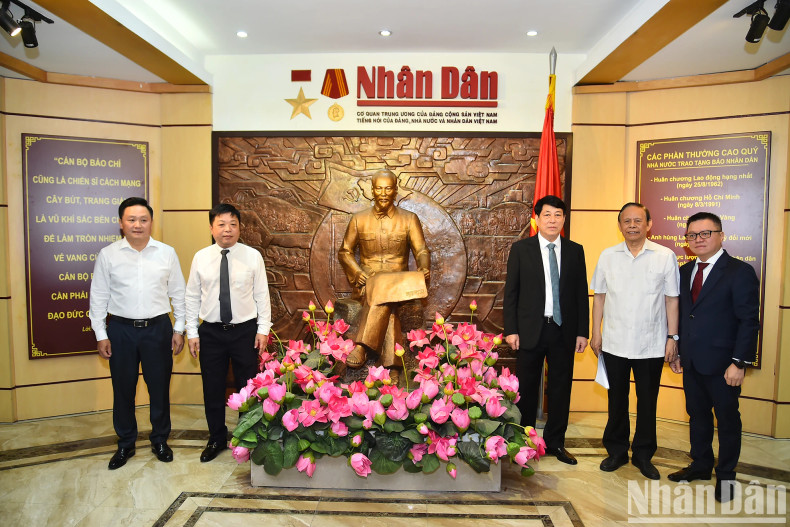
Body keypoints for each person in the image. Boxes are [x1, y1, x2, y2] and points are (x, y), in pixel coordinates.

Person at [667, 212, 760, 503]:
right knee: (697, 416)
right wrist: (678, 349)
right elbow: (685, 315)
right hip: (692, 361)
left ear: (721, 235)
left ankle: (727, 476)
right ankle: (701, 464)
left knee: (728, 421)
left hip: (724, 365)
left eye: (705, 233)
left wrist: (739, 362)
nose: (698, 239)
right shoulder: (685, 272)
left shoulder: (739, 271)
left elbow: (749, 321)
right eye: (692, 235)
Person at [89, 197, 186, 470]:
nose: (138, 225)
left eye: (143, 220)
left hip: (158, 329)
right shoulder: (108, 255)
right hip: (121, 331)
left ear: (151, 222)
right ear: (121, 223)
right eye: (131, 220)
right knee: (123, 390)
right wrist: (101, 334)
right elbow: (98, 296)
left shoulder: (167, 253)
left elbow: (178, 293)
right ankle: (125, 443)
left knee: (159, 389)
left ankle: (160, 440)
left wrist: (179, 328)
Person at [590, 202, 679, 480]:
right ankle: (616, 451)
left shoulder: (665, 256)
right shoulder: (607, 256)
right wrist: (596, 332)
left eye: (637, 220)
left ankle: (643, 454)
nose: (632, 225)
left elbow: (672, 300)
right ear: (619, 225)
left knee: (647, 402)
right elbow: (599, 297)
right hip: (614, 342)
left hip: (651, 343)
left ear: (648, 224)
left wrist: (672, 337)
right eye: (626, 221)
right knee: (616, 400)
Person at [503, 195, 589, 465]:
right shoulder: (521, 249)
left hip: (564, 330)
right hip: (530, 329)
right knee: (526, 389)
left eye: (558, 215)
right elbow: (511, 293)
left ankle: (556, 443)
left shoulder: (575, 251)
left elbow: (581, 294)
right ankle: (525, 442)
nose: (553, 220)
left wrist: (582, 332)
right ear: (537, 219)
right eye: (547, 215)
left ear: (564, 219)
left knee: (561, 389)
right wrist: (511, 329)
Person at [185, 203, 272, 462]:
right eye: (221, 224)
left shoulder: (252, 256)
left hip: (245, 331)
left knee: (247, 387)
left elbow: (262, 295)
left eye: (233, 224)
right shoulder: (201, 257)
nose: (227, 230)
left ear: (240, 228)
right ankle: (216, 438)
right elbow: (191, 296)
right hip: (211, 332)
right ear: (211, 228)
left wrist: (263, 329)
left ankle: (246, 437)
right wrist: (192, 332)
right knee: (212, 387)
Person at [338, 169, 431, 374]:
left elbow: (421, 250)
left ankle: (362, 347)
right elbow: (344, 252)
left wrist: (424, 267)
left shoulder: (409, 219)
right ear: (372, 190)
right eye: (379, 188)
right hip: (368, 283)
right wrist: (357, 272)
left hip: (399, 284)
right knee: (385, 301)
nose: (383, 193)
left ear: (395, 191)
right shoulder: (359, 219)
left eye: (388, 189)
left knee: (386, 292)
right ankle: (392, 365)